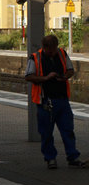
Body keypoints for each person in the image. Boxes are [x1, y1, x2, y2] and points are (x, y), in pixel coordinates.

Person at [24, 34, 85, 169]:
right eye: (50, 50)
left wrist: (64, 77)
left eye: (54, 49)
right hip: (45, 101)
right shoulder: (35, 58)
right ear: (44, 47)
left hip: (62, 100)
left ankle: (73, 157)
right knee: (46, 132)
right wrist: (46, 78)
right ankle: (50, 158)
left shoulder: (62, 53)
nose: (53, 53)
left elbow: (70, 70)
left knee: (68, 130)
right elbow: (28, 76)